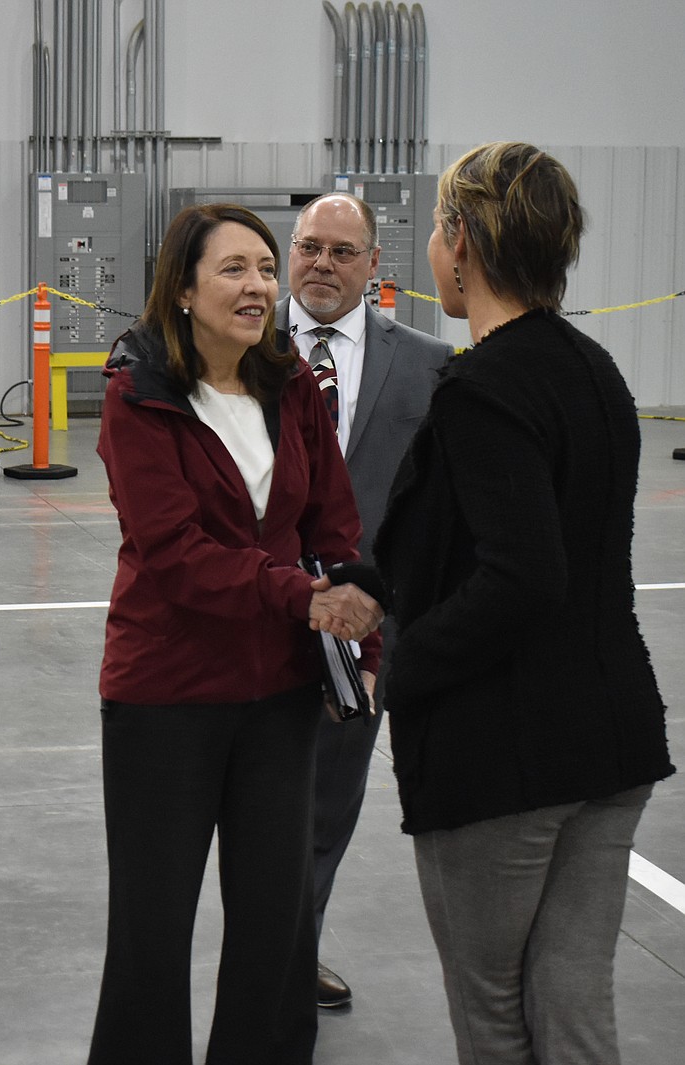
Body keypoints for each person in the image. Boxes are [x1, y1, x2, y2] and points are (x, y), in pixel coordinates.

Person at [373, 142, 675, 1064]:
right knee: (576, 1003)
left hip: (505, 752)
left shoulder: (482, 389)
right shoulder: (595, 371)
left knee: (494, 1014)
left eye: (434, 227)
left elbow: (522, 574)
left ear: (462, 241)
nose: (431, 247)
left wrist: (402, 662)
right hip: (612, 737)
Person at [87, 202, 384, 1065]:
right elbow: (175, 554)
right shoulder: (137, 393)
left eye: (264, 267)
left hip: (279, 698)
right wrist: (304, 598)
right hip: (165, 698)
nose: (258, 286)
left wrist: (358, 643)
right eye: (234, 269)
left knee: (276, 927)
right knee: (152, 928)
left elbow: (336, 529)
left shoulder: (292, 388)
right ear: (182, 286)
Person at [275, 192, 452, 1008]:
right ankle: (260, 954)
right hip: (252, 612)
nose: (322, 263)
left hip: (364, 625)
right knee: (242, 800)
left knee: (329, 802)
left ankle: (289, 952)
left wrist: (381, 600)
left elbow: (437, 503)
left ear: (376, 265)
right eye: (309, 246)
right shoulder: (235, 344)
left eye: (343, 251)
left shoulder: (427, 362)